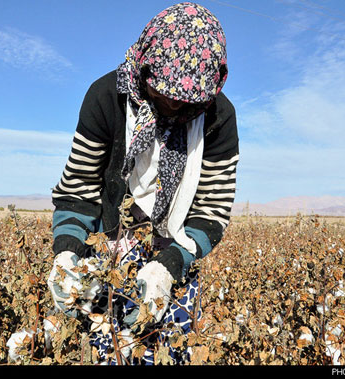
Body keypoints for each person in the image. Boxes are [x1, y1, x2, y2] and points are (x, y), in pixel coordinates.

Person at [47, 2, 239, 365]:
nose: (173, 108)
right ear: (145, 68)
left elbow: (212, 210)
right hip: (108, 250)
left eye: (187, 104)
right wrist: (67, 251)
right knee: (108, 348)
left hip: (175, 250)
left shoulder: (219, 118)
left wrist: (169, 265)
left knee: (169, 351)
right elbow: (78, 190)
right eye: (164, 95)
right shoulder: (107, 97)